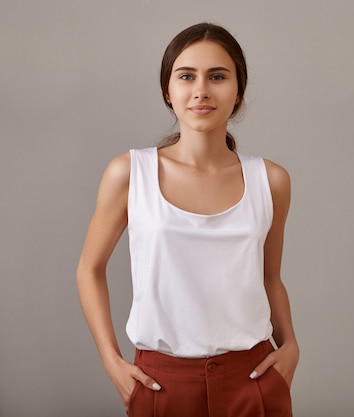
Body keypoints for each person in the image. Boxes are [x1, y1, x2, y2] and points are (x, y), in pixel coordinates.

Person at [77, 22, 298, 417]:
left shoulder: (271, 180)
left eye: (217, 76)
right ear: (168, 90)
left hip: (252, 380)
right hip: (162, 384)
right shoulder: (129, 173)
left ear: (238, 91)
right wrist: (111, 361)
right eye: (186, 76)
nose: (201, 90)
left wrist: (291, 346)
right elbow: (89, 269)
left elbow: (269, 277)